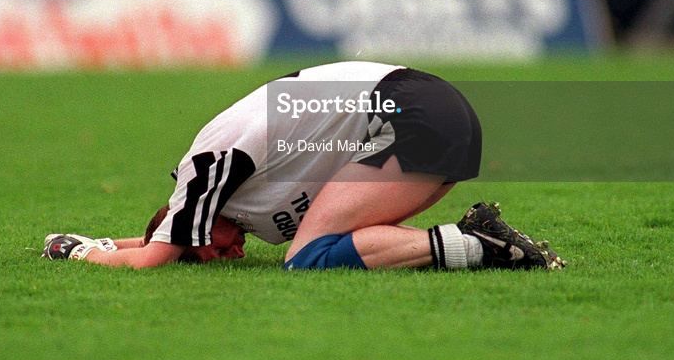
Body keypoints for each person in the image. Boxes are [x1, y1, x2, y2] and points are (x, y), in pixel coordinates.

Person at [43, 62, 565, 271]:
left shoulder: (204, 171)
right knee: (337, 244)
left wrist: (78, 252)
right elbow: (165, 239)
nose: (236, 253)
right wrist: (106, 238)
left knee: (307, 258)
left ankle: (482, 247)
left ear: (192, 228)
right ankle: (478, 239)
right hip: (435, 113)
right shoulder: (244, 210)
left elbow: (152, 257)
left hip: (412, 112)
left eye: (217, 252)